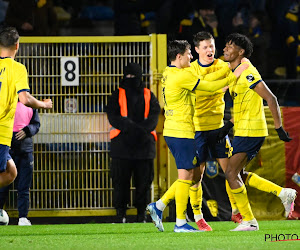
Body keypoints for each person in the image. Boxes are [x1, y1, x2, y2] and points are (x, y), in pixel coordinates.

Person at [147, 40, 248, 233]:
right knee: (187, 177)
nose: (191, 57)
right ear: (179, 57)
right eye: (188, 54)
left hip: (177, 131)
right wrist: (234, 73)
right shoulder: (182, 76)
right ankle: (179, 222)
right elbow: (209, 87)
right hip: (181, 132)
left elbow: (207, 80)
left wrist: (227, 69)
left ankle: (160, 206)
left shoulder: (170, 72)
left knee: (191, 176)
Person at [222, 33, 296, 231]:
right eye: (226, 45)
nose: (225, 49)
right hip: (243, 129)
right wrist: (227, 127)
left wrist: (279, 128)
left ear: (241, 52)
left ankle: (249, 221)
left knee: (230, 173)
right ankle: (283, 193)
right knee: (239, 174)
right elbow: (241, 104)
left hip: (252, 130)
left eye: (230, 46)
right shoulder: (235, 71)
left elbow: (271, 98)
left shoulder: (249, 74)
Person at [106, 63, 160, 223]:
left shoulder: (149, 95)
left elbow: (154, 117)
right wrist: (138, 129)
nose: (130, 79)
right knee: (121, 183)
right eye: (128, 76)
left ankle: (140, 215)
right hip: (124, 148)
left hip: (139, 147)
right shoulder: (117, 95)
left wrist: (130, 128)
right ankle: (121, 214)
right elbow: (112, 116)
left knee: (143, 184)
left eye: (132, 76)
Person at [0, 27, 52, 194]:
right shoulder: (17, 68)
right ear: (17, 46)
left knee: (11, 172)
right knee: (7, 173)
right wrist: (44, 105)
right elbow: (25, 99)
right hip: (1, 132)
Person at [0, 102, 40, 226]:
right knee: (3, 184)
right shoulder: (4, 101)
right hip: (7, 149)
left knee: (24, 187)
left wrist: (27, 130)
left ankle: (23, 217)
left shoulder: (30, 104)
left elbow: (36, 124)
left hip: (25, 150)